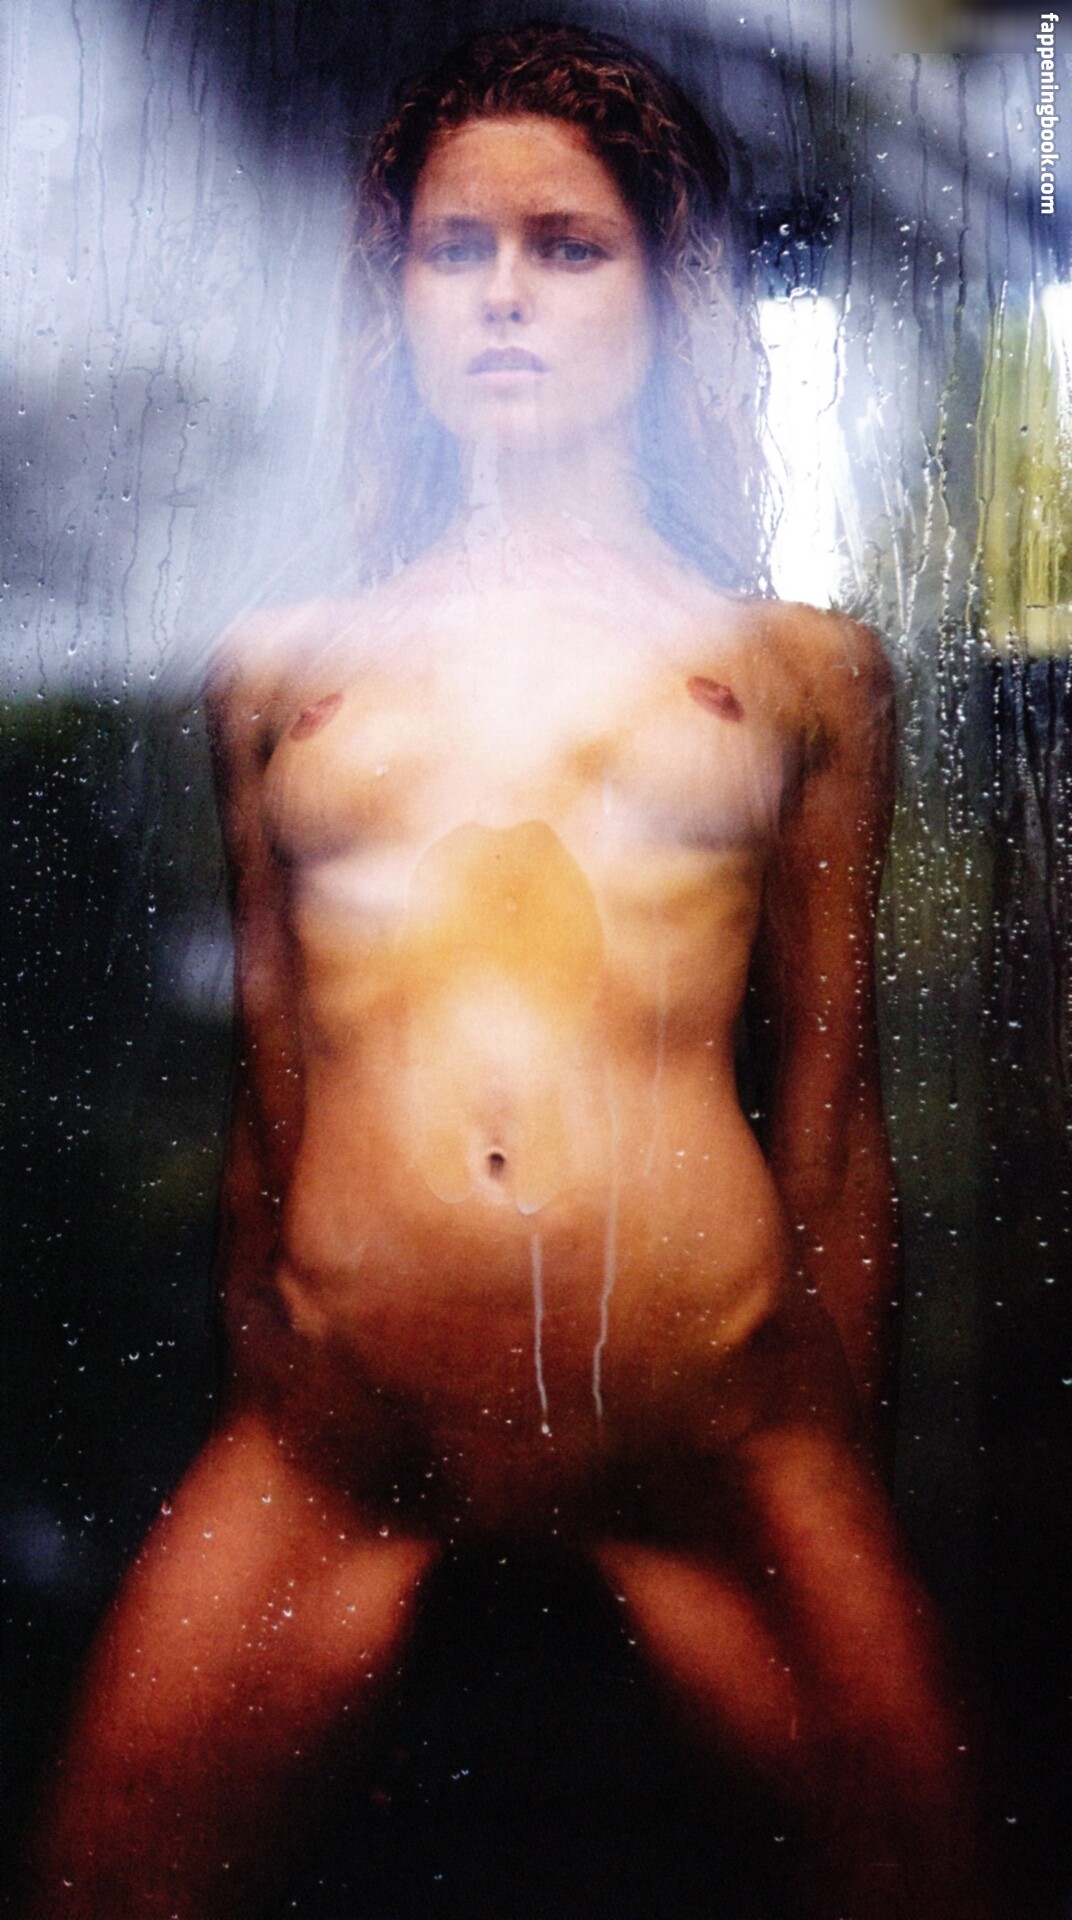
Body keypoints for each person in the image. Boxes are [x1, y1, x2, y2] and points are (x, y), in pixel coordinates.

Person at [29, 24, 1010, 1919]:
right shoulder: (283, 670)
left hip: (721, 1427)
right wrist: (281, 1363)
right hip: (337, 1435)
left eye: (568, 247)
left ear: (661, 289)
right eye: (453, 249)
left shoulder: (794, 668)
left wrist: (846, 1470)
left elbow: (833, 1125)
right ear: (395, 297)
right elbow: (271, 1105)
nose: (502, 295)